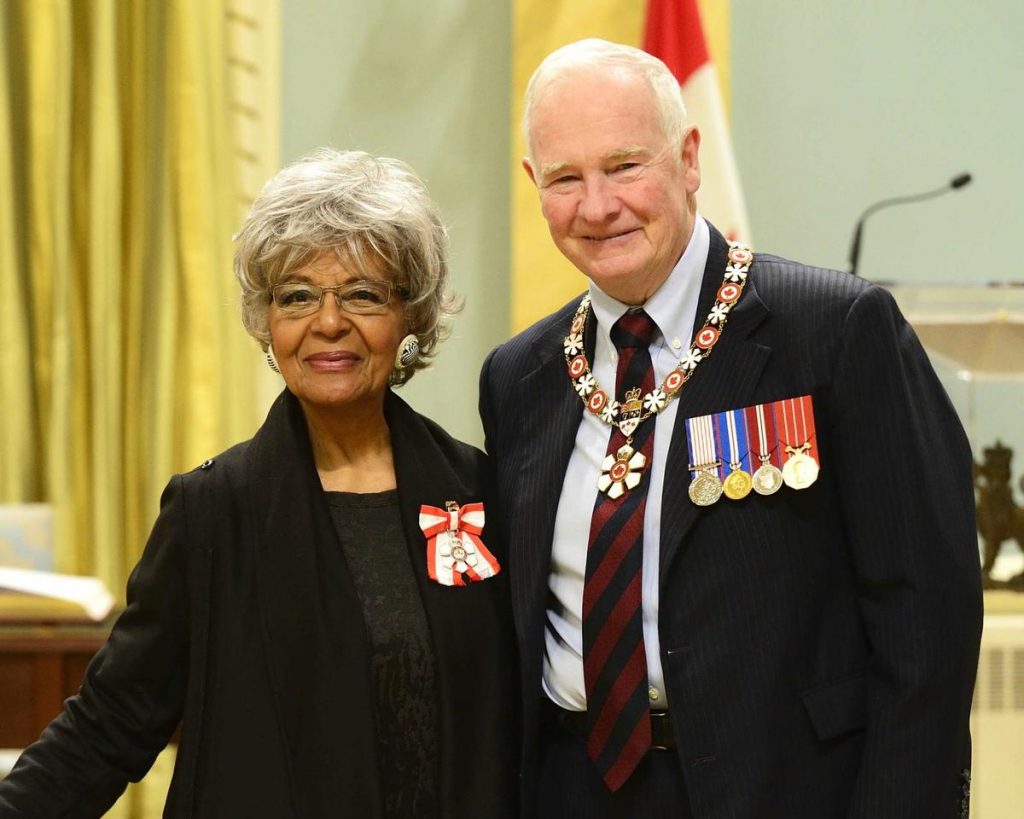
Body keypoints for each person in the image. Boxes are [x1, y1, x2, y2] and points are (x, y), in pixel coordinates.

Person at [479, 38, 982, 818]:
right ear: (532, 186)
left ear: (687, 158)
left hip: (787, 788)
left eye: (623, 166)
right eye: (565, 178)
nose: (598, 205)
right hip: (572, 787)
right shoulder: (518, 378)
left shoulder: (834, 331)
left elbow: (928, 620)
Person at [0, 148, 517, 817]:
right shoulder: (213, 510)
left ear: (409, 319)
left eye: (362, 293)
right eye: (297, 295)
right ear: (267, 324)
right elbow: (112, 721)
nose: (328, 322)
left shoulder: (481, 489)